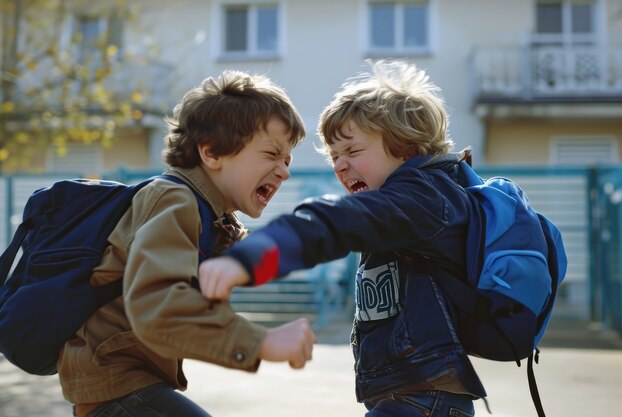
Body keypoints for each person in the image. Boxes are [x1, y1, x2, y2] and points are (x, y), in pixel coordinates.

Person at [197, 60, 488, 417]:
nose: (339, 165)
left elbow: (333, 224)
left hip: (425, 401)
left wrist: (254, 257)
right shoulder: (406, 212)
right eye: (334, 156)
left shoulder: (424, 200)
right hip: (409, 396)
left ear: (407, 150)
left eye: (352, 151)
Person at [58, 70, 317, 417]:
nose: (285, 171)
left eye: (287, 160)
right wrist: (261, 342)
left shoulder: (212, 218)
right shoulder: (174, 200)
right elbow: (159, 306)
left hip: (128, 383)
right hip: (116, 382)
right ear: (212, 153)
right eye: (272, 154)